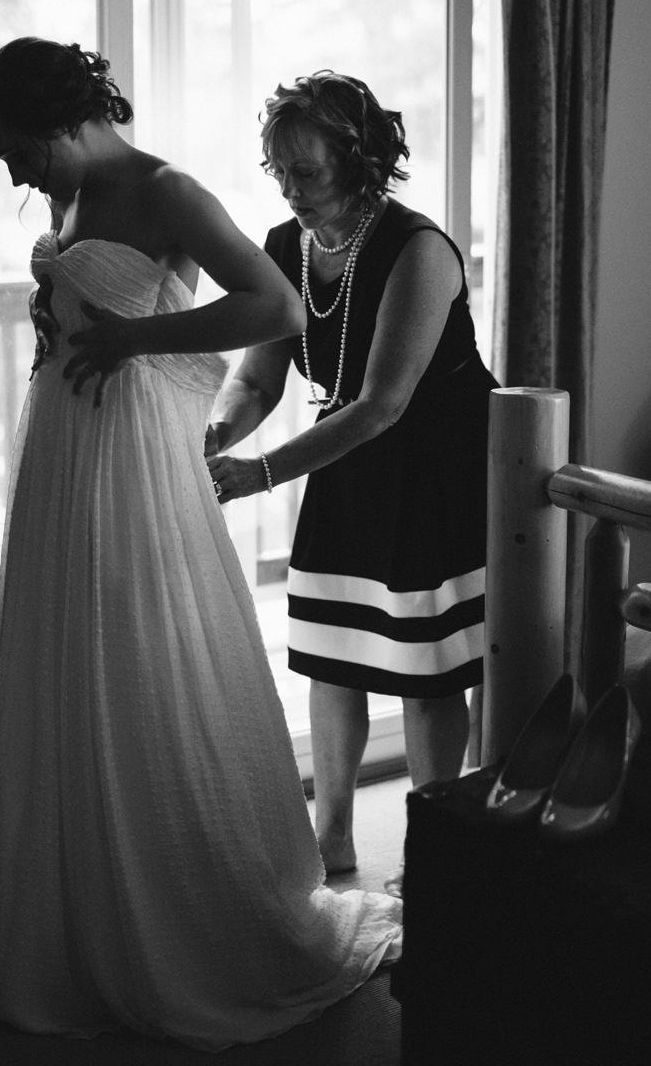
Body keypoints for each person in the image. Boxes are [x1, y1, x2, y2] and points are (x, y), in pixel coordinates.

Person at [0, 38, 402, 1052]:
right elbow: (91, 307)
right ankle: (73, 918)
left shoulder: (167, 191)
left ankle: (181, 920)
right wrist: (56, 308)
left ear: (62, 119)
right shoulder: (71, 194)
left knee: (142, 664)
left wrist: (129, 339)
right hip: (66, 452)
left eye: (18, 151)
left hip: (133, 468)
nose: (17, 175)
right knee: (70, 669)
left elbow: (272, 309)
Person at [205, 71, 497, 886]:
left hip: (432, 463)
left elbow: (384, 403)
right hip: (345, 450)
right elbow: (259, 380)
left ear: (358, 161)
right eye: (281, 171)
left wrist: (258, 473)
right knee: (331, 653)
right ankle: (331, 836)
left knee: (425, 665)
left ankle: (436, 846)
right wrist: (217, 435)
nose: (292, 190)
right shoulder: (281, 248)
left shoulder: (420, 248)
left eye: (309, 172)